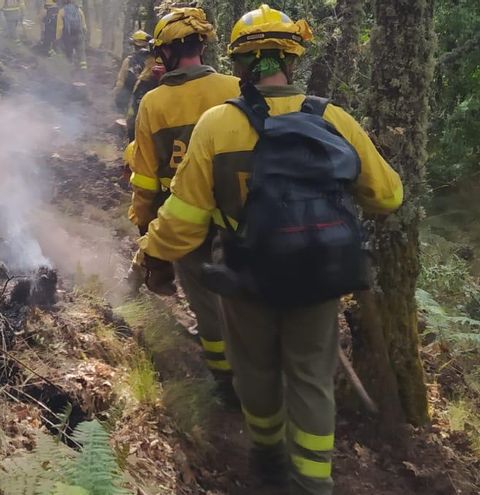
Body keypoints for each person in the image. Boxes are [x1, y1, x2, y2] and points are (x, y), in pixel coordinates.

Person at [138, 5, 404, 494]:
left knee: (256, 372)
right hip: (320, 272)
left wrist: (150, 252)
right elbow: (388, 197)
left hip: (247, 274)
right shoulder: (333, 118)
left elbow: (185, 219)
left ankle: (267, 460)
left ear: (240, 63)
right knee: (310, 377)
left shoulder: (218, 125)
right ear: (292, 59)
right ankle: (313, 483)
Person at [126, 7, 241, 403]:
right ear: (201, 47)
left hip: (182, 220)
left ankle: (226, 385)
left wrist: (145, 226)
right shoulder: (235, 87)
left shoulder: (153, 103)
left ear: (166, 53)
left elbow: (144, 177)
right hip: (238, 217)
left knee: (207, 307)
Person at [114, 30, 152, 112]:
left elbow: (120, 81)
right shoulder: (152, 59)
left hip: (132, 98)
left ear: (134, 44)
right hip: (148, 99)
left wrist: (115, 94)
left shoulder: (129, 60)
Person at [56, 0, 88, 69]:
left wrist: (58, 38)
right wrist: (84, 33)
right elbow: (84, 25)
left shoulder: (61, 11)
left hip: (68, 36)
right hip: (79, 34)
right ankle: (83, 69)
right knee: (81, 53)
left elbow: (60, 28)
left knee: (69, 53)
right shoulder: (79, 10)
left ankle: (70, 69)